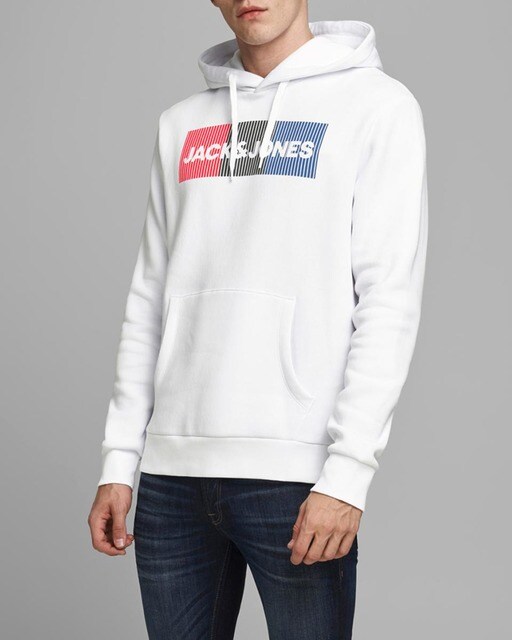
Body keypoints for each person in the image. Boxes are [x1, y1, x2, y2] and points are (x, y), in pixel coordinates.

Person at [87, 1, 428, 638]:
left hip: (296, 477)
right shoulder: (181, 124)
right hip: (171, 477)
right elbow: (149, 297)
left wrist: (347, 476)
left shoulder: (378, 107)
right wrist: (120, 460)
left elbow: (388, 301)